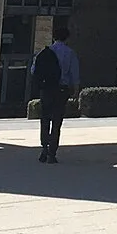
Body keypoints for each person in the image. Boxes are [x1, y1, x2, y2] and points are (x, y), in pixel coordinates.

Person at [30, 21, 79, 163]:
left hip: (47, 89)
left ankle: (44, 147)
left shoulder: (44, 52)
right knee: (57, 120)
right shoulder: (70, 53)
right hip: (61, 89)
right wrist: (75, 90)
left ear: (53, 37)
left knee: (45, 119)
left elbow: (34, 70)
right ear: (67, 38)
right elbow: (74, 74)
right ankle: (52, 152)